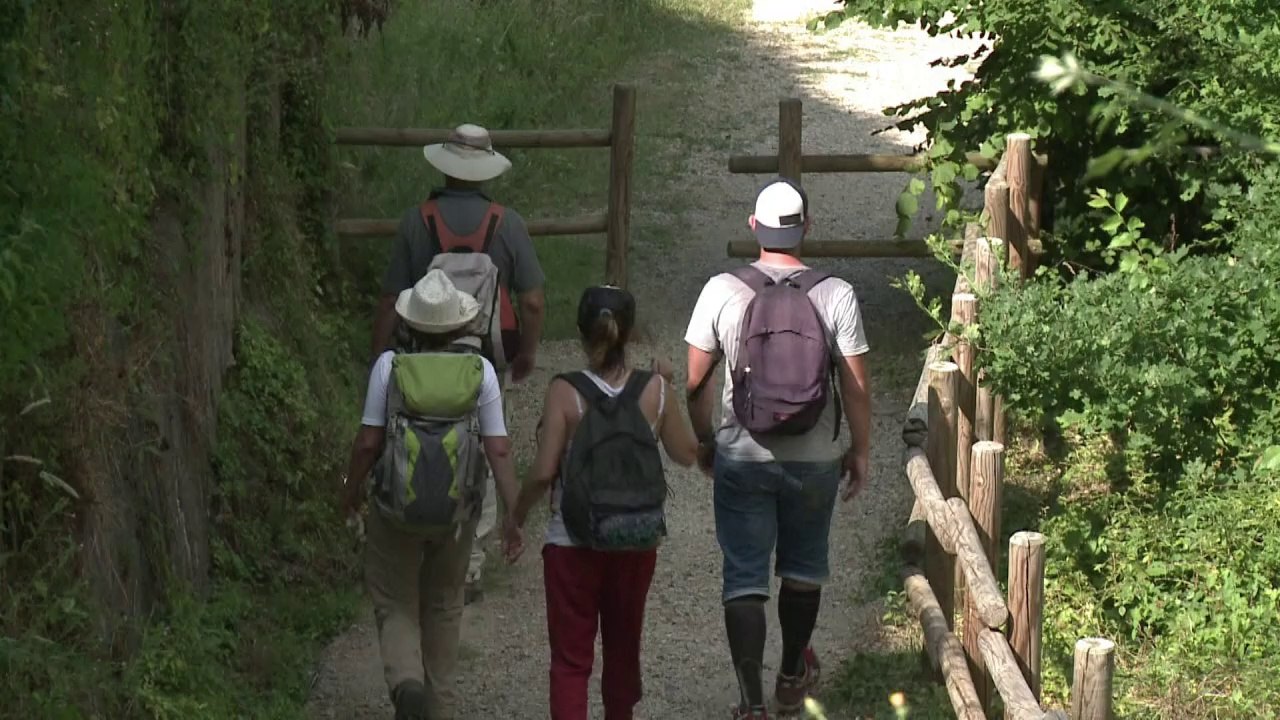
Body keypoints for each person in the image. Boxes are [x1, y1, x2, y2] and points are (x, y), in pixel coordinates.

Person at [683, 177, 872, 719]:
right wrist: (859, 449)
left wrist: (704, 440)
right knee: (804, 566)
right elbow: (857, 387)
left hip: (742, 454)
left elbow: (695, 381)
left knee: (744, 574)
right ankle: (792, 675)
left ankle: (750, 701)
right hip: (814, 459)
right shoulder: (836, 293)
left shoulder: (722, 289)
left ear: (753, 227)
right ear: (806, 228)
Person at [372, 123, 546, 604]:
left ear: (445, 165)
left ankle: (416, 533)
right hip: (486, 355)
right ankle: (466, 565)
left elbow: (391, 297)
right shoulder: (506, 224)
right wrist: (526, 353)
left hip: (419, 354)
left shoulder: (416, 221)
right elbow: (531, 299)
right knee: (487, 448)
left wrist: (379, 355)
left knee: (415, 436)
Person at [342, 269, 525, 720]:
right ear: (458, 326)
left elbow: (368, 442)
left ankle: (407, 685)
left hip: (394, 510)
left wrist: (348, 492)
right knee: (445, 603)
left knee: (394, 599)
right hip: (455, 513)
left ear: (410, 324)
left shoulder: (390, 368)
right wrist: (512, 515)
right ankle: (439, 707)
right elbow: (498, 448)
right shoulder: (479, 371)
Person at [512, 285, 699, 720]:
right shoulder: (654, 389)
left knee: (571, 662)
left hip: (571, 542)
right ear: (630, 334)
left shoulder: (565, 392)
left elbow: (542, 473)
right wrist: (669, 387)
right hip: (635, 541)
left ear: (581, 333)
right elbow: (687, 454)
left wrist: (516, 517)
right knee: (622, 648)